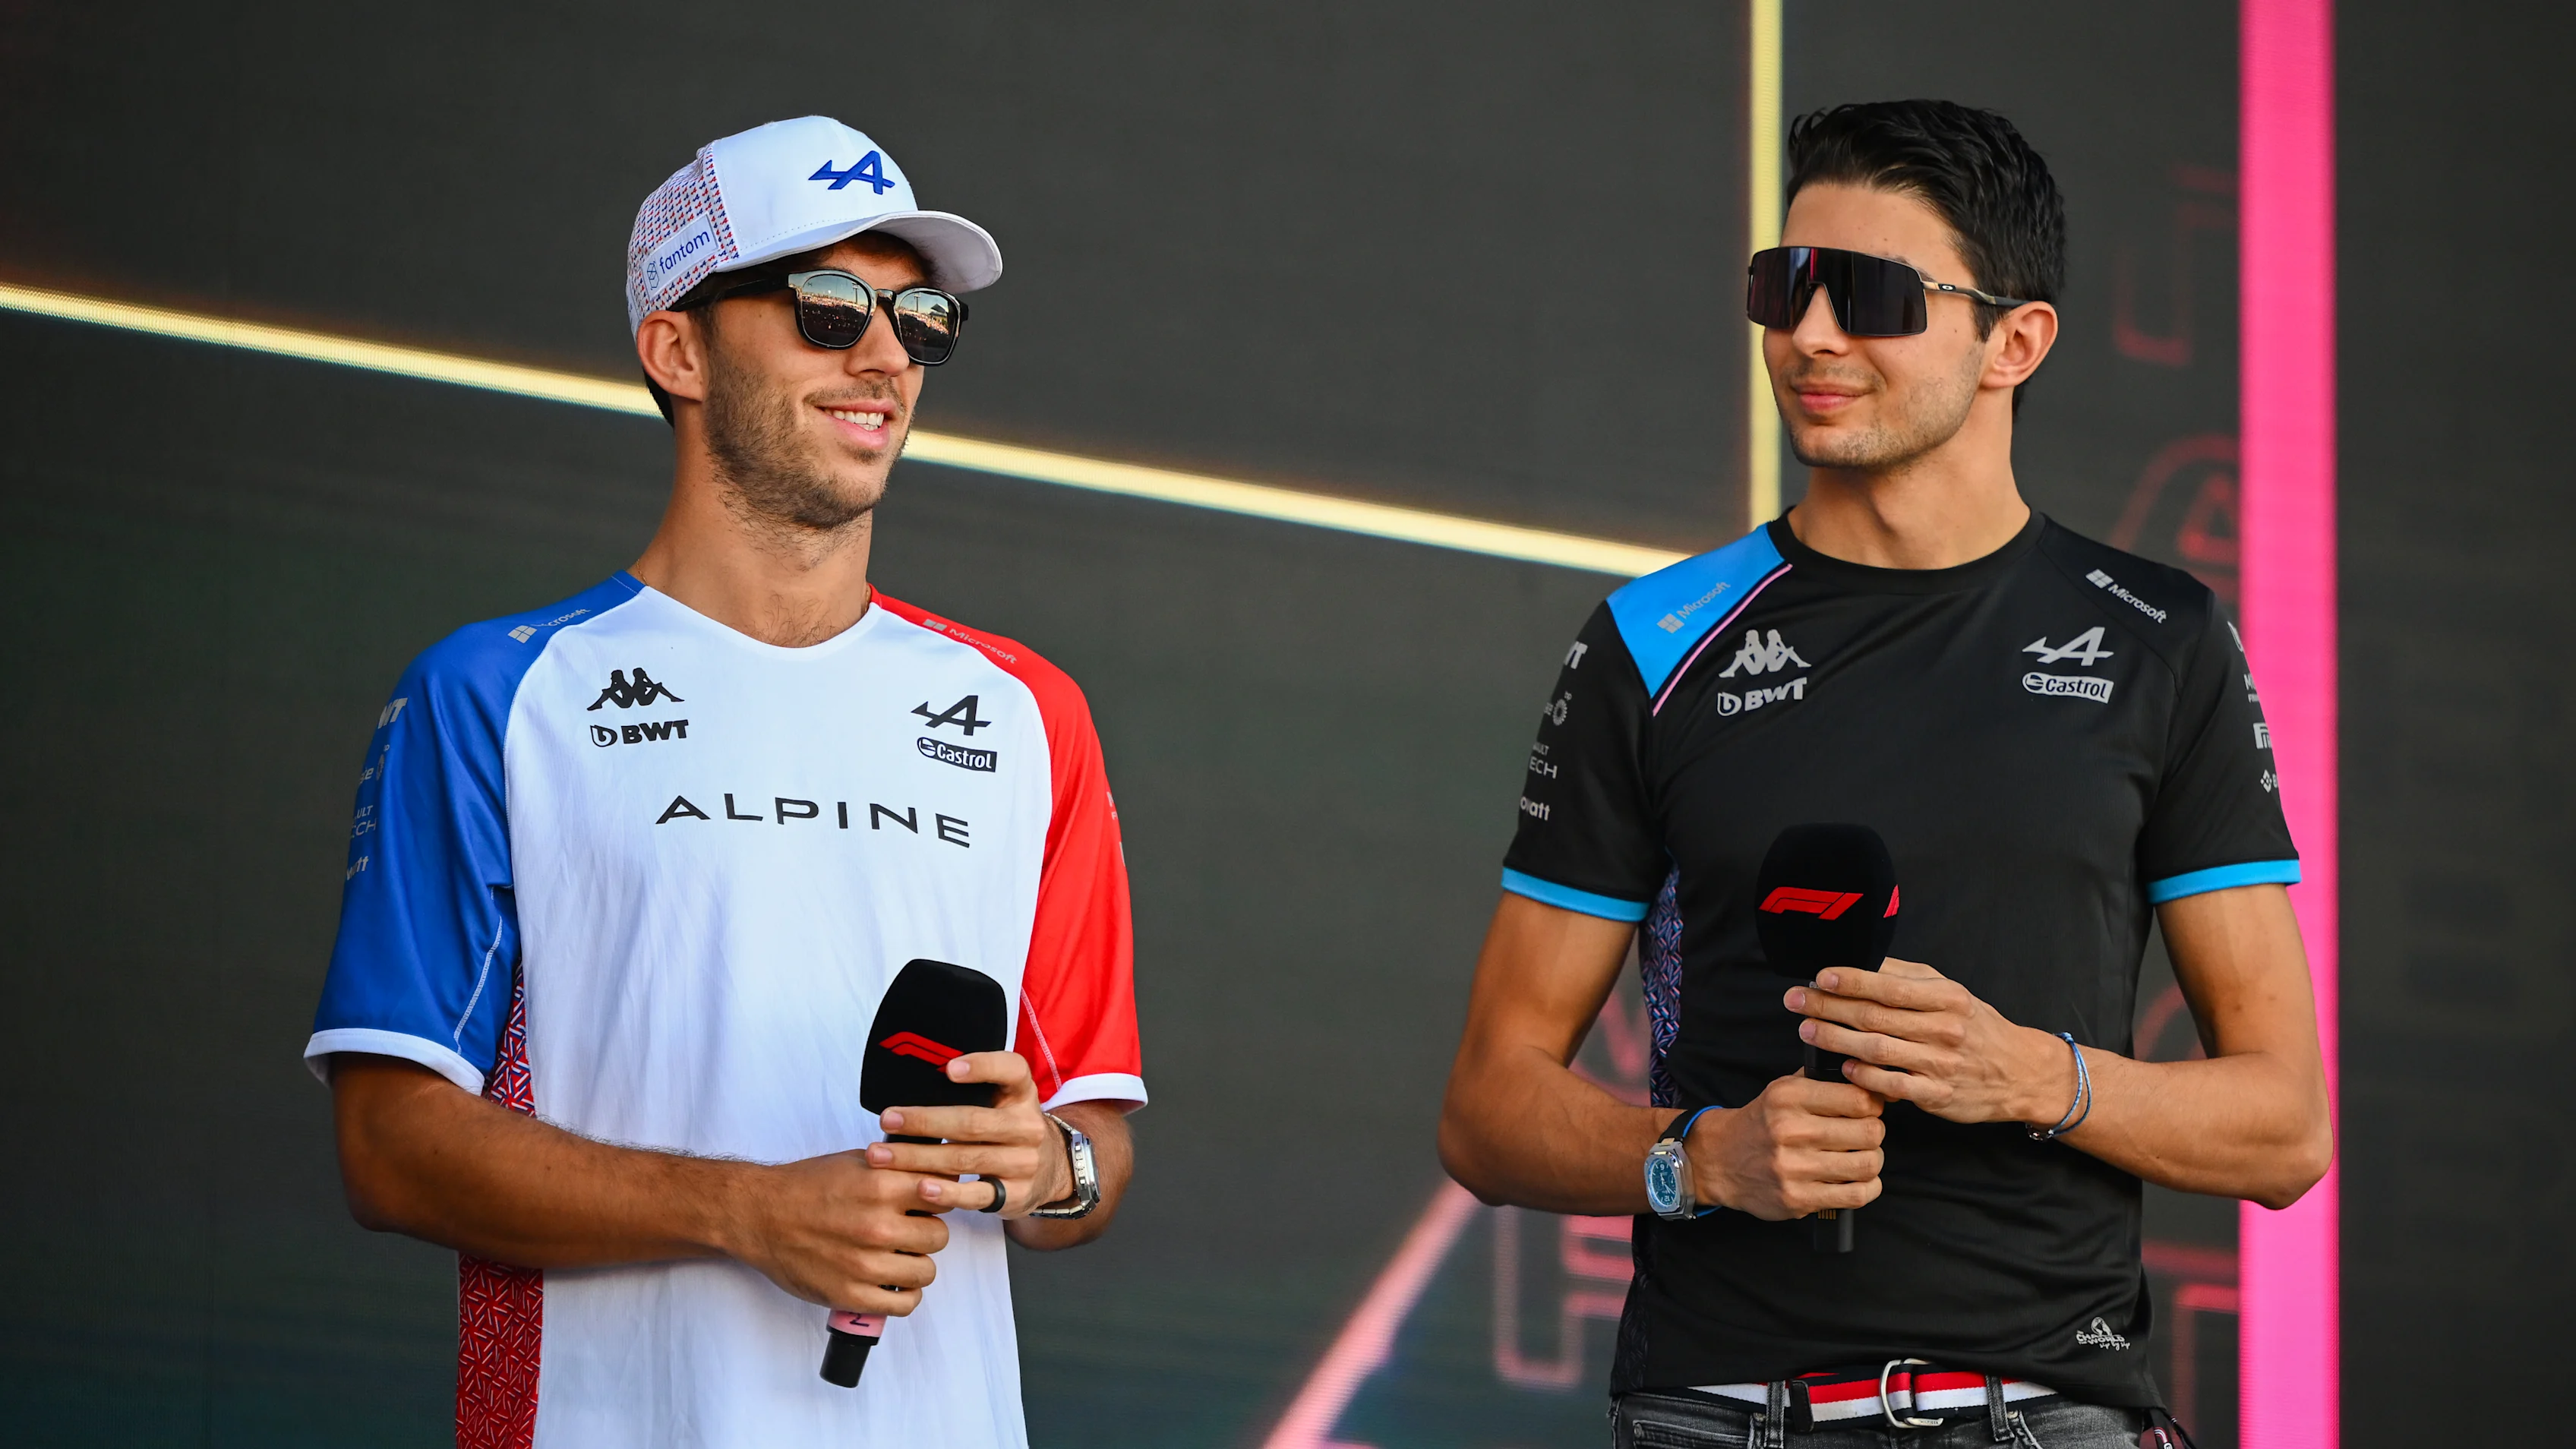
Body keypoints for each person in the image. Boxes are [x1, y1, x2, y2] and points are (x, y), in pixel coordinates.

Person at [1438, 100, 2331, 1448]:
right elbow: (1488, 1110)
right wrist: (1699, 1160)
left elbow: (2285, 1126)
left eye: (1868, 296)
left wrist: (2038, 1077)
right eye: (1783, 286)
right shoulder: (1653, 643)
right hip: (1722, 1413)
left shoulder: (2165, 641)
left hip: (2054, 1411)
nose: (1807, 335)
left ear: (2012, 342)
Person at [305, 116, 1142, 1448]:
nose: (884, 358)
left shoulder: (1031, 713)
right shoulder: (496, 696)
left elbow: (1091, 1141)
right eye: (824, 309)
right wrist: (747, 1209)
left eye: (919, 318)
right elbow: (389, 1143)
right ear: (677, 348)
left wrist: (1049, 1165)